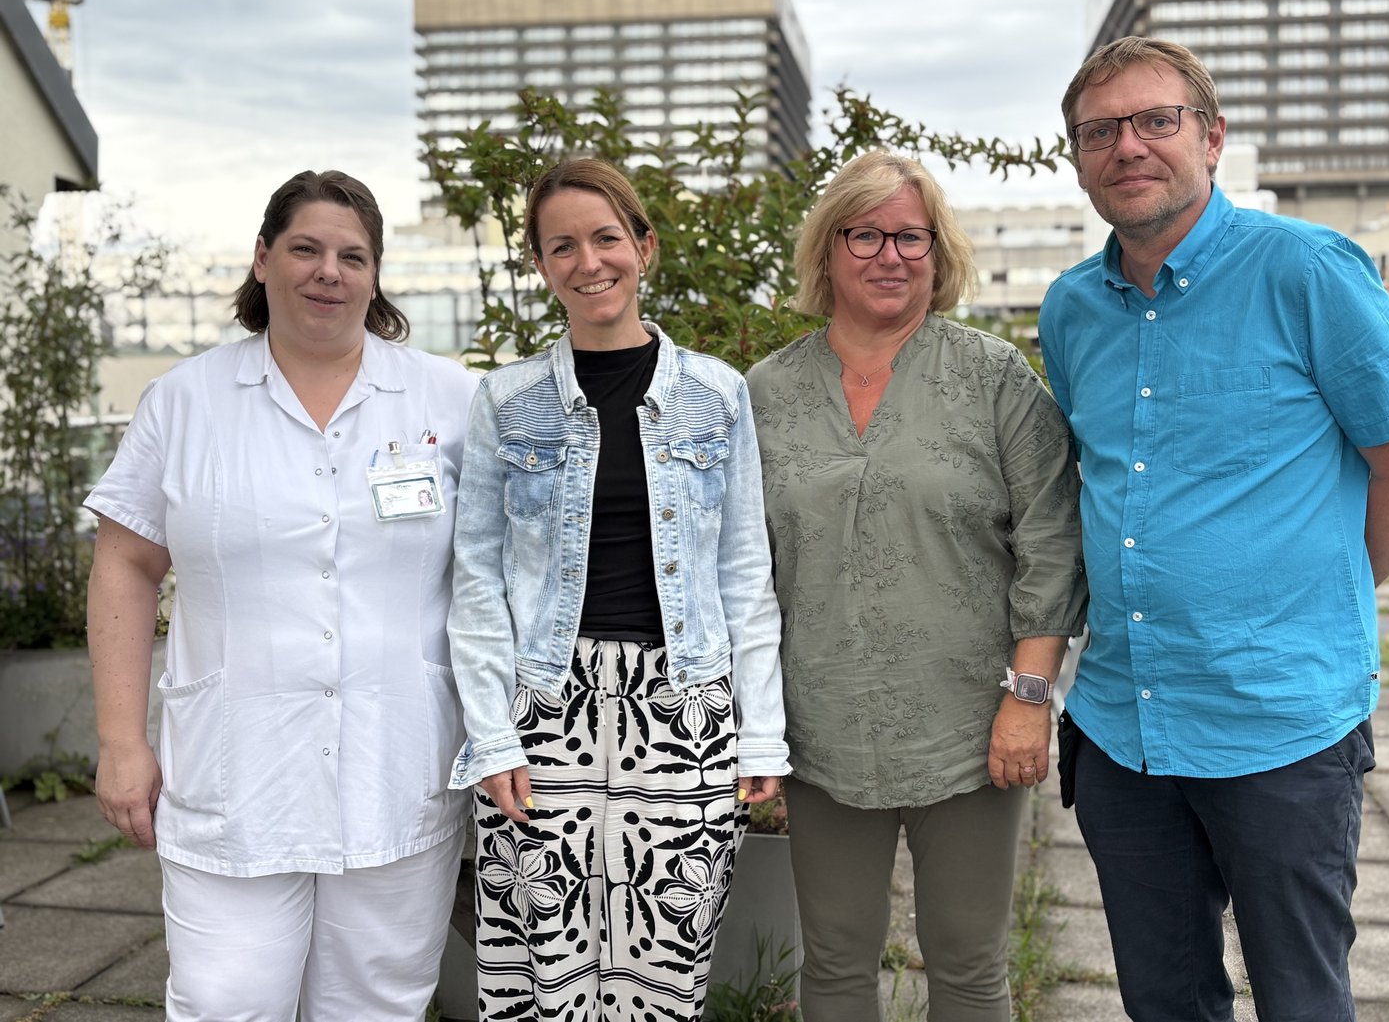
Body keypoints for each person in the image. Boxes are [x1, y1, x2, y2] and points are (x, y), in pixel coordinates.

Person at [1039, 36, 1389, 1022]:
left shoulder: (1308, 271)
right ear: (1080, 158)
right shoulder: (1069, 309)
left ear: (1211, 138)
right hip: (1123, 732)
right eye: (1100, 131)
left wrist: (1316, 597)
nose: (1127, 146)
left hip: (1280, 729)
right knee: (1164, 999)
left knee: (1302, 998)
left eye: (1154, 121)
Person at [85, 169, 479, 1021]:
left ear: (375, 276)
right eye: (304, 248)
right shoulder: (184, 403)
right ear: (262, 259)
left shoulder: (449, 399)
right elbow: (124, 563)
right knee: (226, 1001)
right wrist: (120, 739)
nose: (327, 270)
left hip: (396, 763)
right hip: (235, 774)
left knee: (374, 1003)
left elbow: (501, 572)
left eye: (352, 255)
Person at [746, 150, 1088, 1022]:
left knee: (969, 962)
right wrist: (753, 727)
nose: (888, 255)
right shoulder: (764, 393)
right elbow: (737, 567)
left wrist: (1029, 694)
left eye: (911, 235)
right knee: (831, 959)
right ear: (827, 250)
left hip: (973, 726)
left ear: (938, 254)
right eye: (865, 234)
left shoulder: (992, 378)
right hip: (819, 723)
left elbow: (1051, 539)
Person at [446, 157, 789, 1021]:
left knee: (666, 966)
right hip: (543, 708)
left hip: (686, 708)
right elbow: (476, 578)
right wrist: (491, 736)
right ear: (540, 265)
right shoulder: (506, 401)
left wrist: (762, 737)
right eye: (561, 245)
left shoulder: (717, 394)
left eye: (606, 237)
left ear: (644, 246)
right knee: (542, 964)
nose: (587, 261)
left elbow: (744, 570)